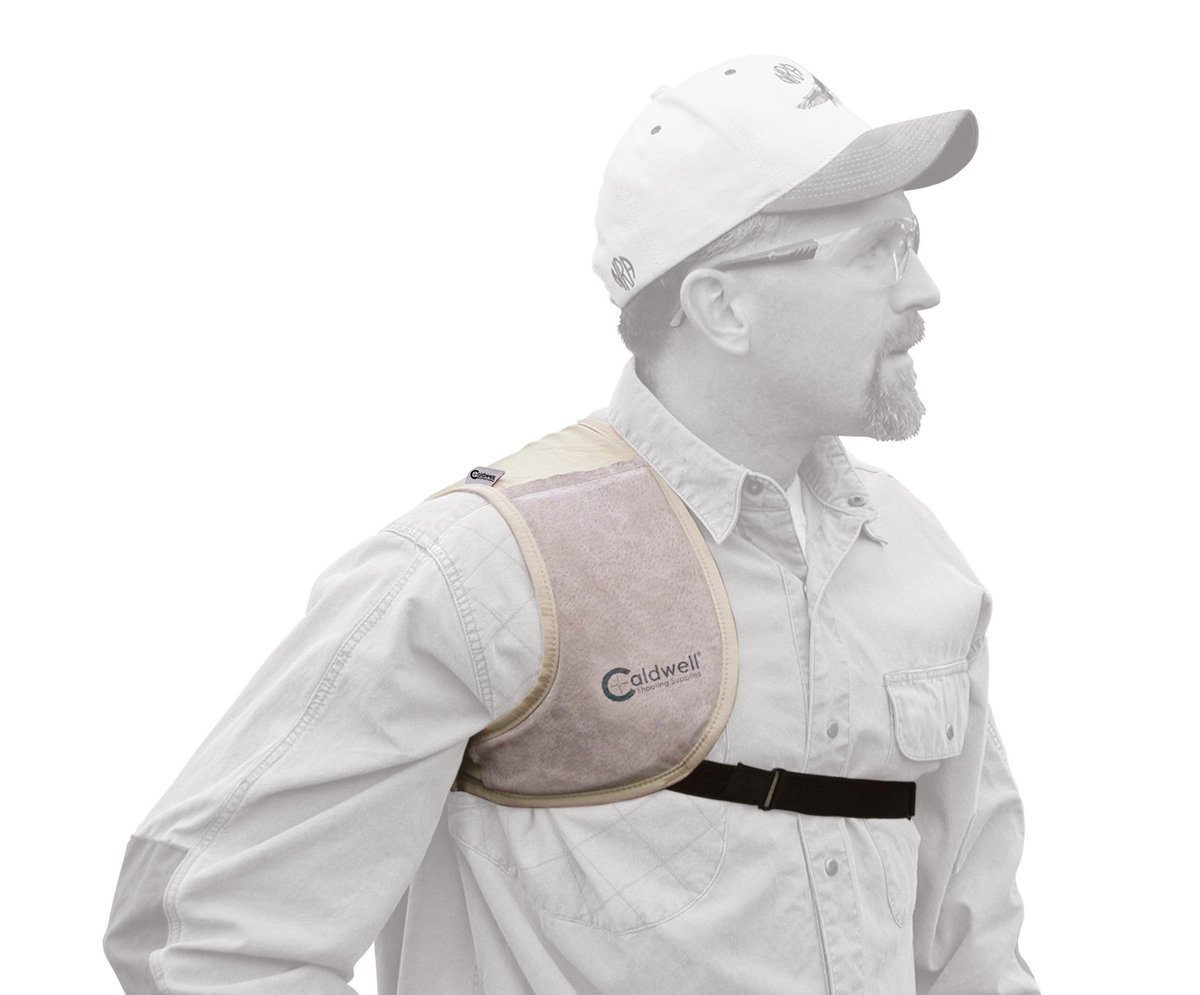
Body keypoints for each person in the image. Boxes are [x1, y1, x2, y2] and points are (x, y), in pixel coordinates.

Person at [103, 53, 1040, 994]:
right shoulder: (491, 569)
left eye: (912, 239)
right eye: (879, 249)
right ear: (722, 306)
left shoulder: (914, 553)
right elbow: (204, 936)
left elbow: (975, 947)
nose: (924, 288)